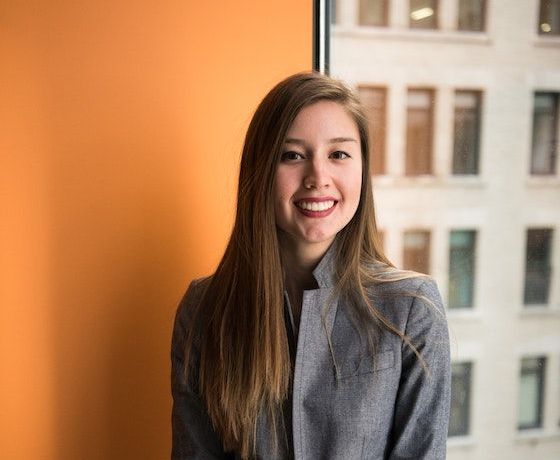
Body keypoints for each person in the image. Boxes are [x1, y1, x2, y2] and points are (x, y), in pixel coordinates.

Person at [171, 72, 451, 459]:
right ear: (261, 171)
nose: (318, 177)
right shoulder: (204, 310)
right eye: (292, 155)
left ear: (361, 170)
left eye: (338, 154)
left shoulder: (412, 308)